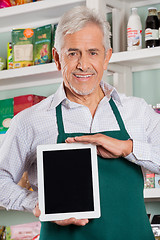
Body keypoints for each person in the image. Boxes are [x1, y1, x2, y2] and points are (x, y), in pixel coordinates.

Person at [0, 5, 160, 240]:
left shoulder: (137, 111)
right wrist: (38, 204)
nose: (83, 65)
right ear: (57, 58)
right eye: (73, 53)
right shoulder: (30, 120)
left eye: (93, 53)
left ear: (107, 57)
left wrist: (129, 148)